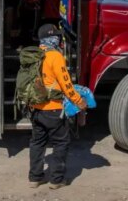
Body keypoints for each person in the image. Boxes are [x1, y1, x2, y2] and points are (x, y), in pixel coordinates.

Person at [28, 24, 86, 190]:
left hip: (35, 109)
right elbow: (66, 83)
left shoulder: (33, 56)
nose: (60, 40)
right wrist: (78, 100)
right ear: (53, 39)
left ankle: (35, 178)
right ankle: (56, 180)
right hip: (53, 109)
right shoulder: (55, 56)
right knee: (61, 143)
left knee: (37, 143)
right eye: (58, 37)